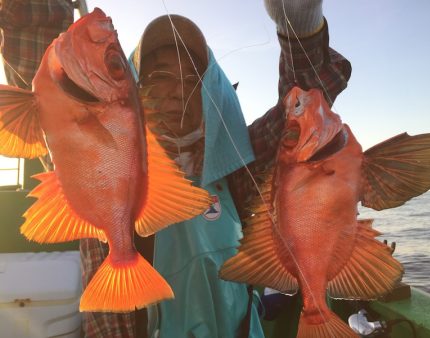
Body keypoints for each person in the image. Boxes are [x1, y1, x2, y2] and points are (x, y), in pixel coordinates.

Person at [80, 0, 351, 337]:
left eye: (193, 78)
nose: (177, 91)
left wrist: (299, 26)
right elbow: (106, 317)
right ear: (134, 88)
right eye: (160, 76)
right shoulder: (110, 182)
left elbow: (304, 106)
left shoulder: (237, 165)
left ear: (214, 91)